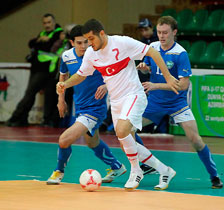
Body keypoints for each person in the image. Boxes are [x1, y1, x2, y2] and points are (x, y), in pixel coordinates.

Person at [56, 19, 180, 191]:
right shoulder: (92, 53)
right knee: (125, 142)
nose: (89, 44)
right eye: (86, 40)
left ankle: (136, 171)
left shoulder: (122, 42)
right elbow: (81, 75)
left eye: (91, 39)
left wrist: (167, 77)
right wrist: (65, 84)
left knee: (122, 131)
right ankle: (164, 170)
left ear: (101, 33)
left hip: (133, 95)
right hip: (115, 101)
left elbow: (152, 51)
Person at [136, 16, 223, 189]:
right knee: (127, 130)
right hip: (155, 103)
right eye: (159, 32)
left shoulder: (180, 54)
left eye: (165, 33)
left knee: (195, 140)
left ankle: (214, 176)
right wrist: (145, 68)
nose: (161, 36)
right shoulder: (152, 47)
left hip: (177, 104)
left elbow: (183, 85)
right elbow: (149, 66)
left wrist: (156, 85)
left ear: (174, 33)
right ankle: (146, 163)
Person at [47, 25, 126, 185]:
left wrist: (105, 86)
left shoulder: (97, 54)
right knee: (92, 142)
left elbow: (115, 73)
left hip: (96, 109)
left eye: (86, 42)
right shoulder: (67, 56)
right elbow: (63, 79)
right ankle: (116, 166)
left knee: (64, 140)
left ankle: (58, 172)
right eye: (79, 43)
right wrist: (60, 100)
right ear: (71, 42)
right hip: (81, 108)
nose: (83, 46)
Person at [6, 13, 63, 127]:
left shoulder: (59, 34)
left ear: (54, 22)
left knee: (40, 95)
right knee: (32, 94)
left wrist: (41, 42)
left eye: (49, 22)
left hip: (49, 69)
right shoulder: (43, 34)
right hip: (37, 68)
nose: (47, 25)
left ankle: (16, 117)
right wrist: (40, 40)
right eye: (44, 23)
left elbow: (50, 47)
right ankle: (22, 118)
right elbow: (31, 43)